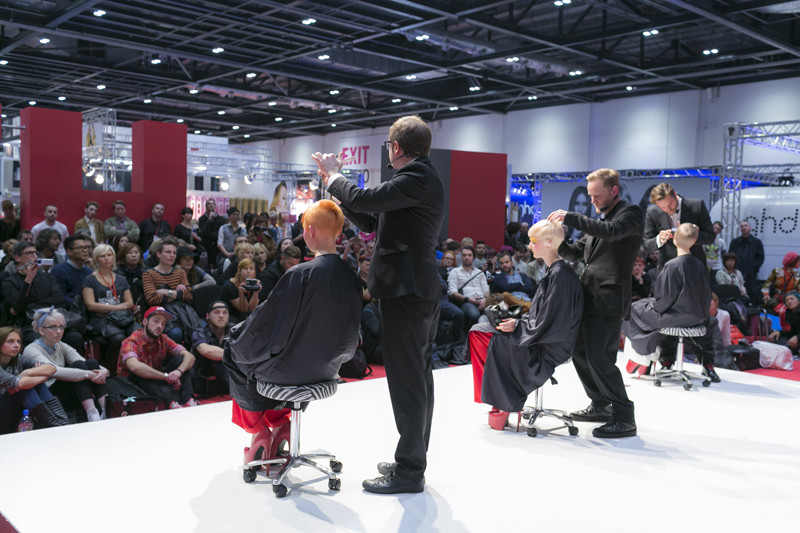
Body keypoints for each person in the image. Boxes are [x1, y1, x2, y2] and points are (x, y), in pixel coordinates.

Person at [314, 115, 445, 494]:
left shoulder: (416, 176)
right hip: (412, 291)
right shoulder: (418, 178)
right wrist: (336, 190)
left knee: (408, 383)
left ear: (396, 147)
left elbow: (365, 200)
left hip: (407, 293)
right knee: (415, 379)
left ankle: (409, 471)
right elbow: (371, 220)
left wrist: (336, 176)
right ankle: (412, 459)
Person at [224, 200, 361, 455]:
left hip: (290, 371)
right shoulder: (351, 276)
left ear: (309, 231)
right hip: (328, 369)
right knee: (260, 352)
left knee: (234, 351)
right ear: (339, 231)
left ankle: (259, 432)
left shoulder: (300, 274)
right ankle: (281, 425)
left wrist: (236, 336)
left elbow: (269, 327)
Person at [548, 168, 643, 438]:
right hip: (589, 295)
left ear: (614, 190)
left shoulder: (630, 214)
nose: (593, 201)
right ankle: (600, 405)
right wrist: (556, 240)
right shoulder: (600, 221)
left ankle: (624, 417)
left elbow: (611, 233)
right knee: (580, 352)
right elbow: (575, 253)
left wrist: (571, 217)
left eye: (597, 196)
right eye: (590, 196)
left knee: (600, 357)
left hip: (610, 297)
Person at [467, 220, 583, 426]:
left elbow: (553, 321)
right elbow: (544, 315)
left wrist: (519, 326)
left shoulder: (560, 275)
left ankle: (504, 399)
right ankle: (499, 396)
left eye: (533, 241)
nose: (529, 246)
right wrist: (519, 322)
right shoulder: (556, 272)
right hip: (540, 333)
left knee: (484, 335)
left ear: (548, 242)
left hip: (549, 344)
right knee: (477, 330)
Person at [622, 223, 720, 382]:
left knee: (633, 309)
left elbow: (664, 301)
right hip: (698, 317)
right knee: (642, 307)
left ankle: (642, 359)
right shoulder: (701, 266)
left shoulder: (672, 266)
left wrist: (653, 306)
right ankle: (648, 359)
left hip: (676, 317)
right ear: (694, 241)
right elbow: (705, 296)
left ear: (674, 240)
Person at [23, 308, 110, 421]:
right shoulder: (31, 349)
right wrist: (89, 374)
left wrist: (105, 371)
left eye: (61, 327)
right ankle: (92, 414)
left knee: (90, 363)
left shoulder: (60, 345)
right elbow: (54, 370)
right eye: (53, 327)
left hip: (66, 393)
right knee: (78, 367)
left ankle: (107, 410)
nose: (59, 331)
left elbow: (85, 362)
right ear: (41, 331)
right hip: (47, 395)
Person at [2, 241, 84, 352]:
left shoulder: (48, 277)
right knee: (40, 339)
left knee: (74, 337)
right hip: (28, 323)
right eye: (29, 253)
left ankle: (74, 363)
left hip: (53, 320)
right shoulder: (9, 282)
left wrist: (31, 306)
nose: (34, 256)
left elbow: (59, 300)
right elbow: (19, 307)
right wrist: (28, 280)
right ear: (17, 258)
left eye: (35, 253)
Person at [118, 306, 196, 409]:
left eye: (163, 323)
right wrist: (165, 376)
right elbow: (134, 366)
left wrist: (178, 371)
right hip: (132, 384)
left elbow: (190, 357)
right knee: (141, 369)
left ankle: (188, 400)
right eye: (156, 321)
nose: (160, 326)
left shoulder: (163, 339)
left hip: (154, 379)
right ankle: (169, 403)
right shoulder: (131, 341)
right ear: (145, 322)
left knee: (181, 359)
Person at [83, 244, 141, 371]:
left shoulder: (121, 279)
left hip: (120, 317)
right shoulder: (89, 280)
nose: (106, 258)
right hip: (100, 319)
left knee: (139, 332)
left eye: (109, 255)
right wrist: (118, 307)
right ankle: (110, 367)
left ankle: (135, 365)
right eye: (102, 256)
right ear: (96, 259)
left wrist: (109, 308)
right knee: (118, 338)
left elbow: (129, 303)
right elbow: (91, 306)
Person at [0, 327, 67, 432]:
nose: (16, 345)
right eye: (10, 341)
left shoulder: (18, 359)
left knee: (32, 383)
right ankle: (57, 425)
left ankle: (61, 424)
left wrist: (28, 372)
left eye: (18, 341)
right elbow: (21, 384)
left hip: (13, 413)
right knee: (26, 386)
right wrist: (43, 376)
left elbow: (51, 369)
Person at [642, 183, 715, 274]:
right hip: (667, 267)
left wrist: (690, 235)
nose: (668, 209)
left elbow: (710, 236)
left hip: (694, 264)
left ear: (675, 194)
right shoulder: (652, 212)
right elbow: (646, 244)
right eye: (663, 207)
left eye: (670, 204)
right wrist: (659, 239)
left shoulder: (697, 205)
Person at [141, 240, 193, 344]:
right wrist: (177, 294)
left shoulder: (180, 272)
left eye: (174, 253)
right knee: (176, 333)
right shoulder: (149, 273)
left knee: (202, 328)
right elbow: (152, 299)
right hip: (161, 314)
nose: (172, 255)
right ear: (158, 254)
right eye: (168, 252)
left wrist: (165, 291)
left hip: (182, 312)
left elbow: (189, 295)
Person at [191, 301, 231, 392]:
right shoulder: (199, 332)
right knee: (217, 358)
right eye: (217, 312)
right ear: (207, 316)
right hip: (203, 382)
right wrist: (236, 354)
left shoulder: (235, 330)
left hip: (227, 379)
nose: (221, 316)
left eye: (225, 313)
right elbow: (207, 351)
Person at [447, 245, 490, 330]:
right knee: (474, 315)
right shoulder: (455, 272)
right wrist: (468, 299)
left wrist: (485, 299)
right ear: (461, 257)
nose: (467, 257)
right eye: (464, 255)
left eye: (469, 255)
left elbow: (486, 289)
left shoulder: (479, 272)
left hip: (482, 300)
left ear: (473, 257)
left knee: (493, 313)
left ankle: (486, 335)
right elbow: (452, 292)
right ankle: (472, 335)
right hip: (465, 301)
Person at [50, 234, 93, 308]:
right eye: (80, 248)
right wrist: (84, 303)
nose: (85, 250)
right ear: (69, 252)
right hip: (67, 311)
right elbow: (59, 298)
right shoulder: (59, 271)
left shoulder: (89, 272)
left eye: (86, 247)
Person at [729, 221, 765, 302]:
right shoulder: (735, 242)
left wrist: (753, 267)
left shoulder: (757, 242)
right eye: (742, 226)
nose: (744, 227)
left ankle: (751, 307)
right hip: (736, 271)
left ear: (750, 228)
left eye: (746, 226)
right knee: (736, 289)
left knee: (751, 291)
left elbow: (760, 257)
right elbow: (730, 255)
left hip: (751, 272)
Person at [221, 259, 261, 324]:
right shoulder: (229, 286)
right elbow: (244, 309)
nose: (248, 271)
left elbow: (251, 310)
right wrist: (241, 293)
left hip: (243, 315)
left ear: (254, 272)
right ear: (239, 271)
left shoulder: (258, 284)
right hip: (229, 314)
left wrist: (256, 292)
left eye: (251, 269)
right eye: (245, 268)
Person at [115, 242, 145, 315]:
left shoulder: (146, 272)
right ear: (123, 256)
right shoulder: (116, 274)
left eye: (136, 252)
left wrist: (143, 307)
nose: (134, 255)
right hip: (121, 310)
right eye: (129, 253)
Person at [199, 199, 224, 271]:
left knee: (217, 267)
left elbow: (220, 233)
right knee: (206, 267)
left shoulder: (220, 219)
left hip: (217, 246)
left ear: (215, 206)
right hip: (206, 246)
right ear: (206, 206)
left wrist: (210, 234)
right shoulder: (202, 219)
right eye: (209, 204)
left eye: (213, 203)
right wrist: (209, 220)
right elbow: (203, 232)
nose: (211, 205)